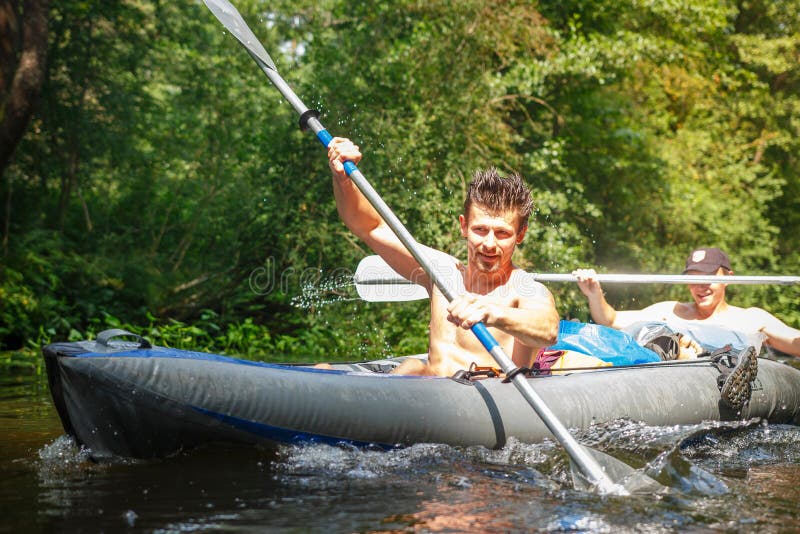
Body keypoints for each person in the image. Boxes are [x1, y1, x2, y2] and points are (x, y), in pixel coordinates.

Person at [327, 137, 560, 376]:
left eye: (502, 233)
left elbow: (549, 329)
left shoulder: (524, 288)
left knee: (411, 368)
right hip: (431, 397)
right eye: (480, 230)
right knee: (327, 368)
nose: (489, 243)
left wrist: (492, 312)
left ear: (520, 235)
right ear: (464, 226)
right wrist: (344, 180)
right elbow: (370, 227)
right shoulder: (442, 272)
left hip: (486, 400)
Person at [573, 247, 800, 358]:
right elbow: (610, 320)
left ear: (728, 279)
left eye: (708, 278)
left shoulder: (752, 317)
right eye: (694, 279)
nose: (701, 287)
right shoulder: (669, 311)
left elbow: (796, 344)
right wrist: (594, 293)